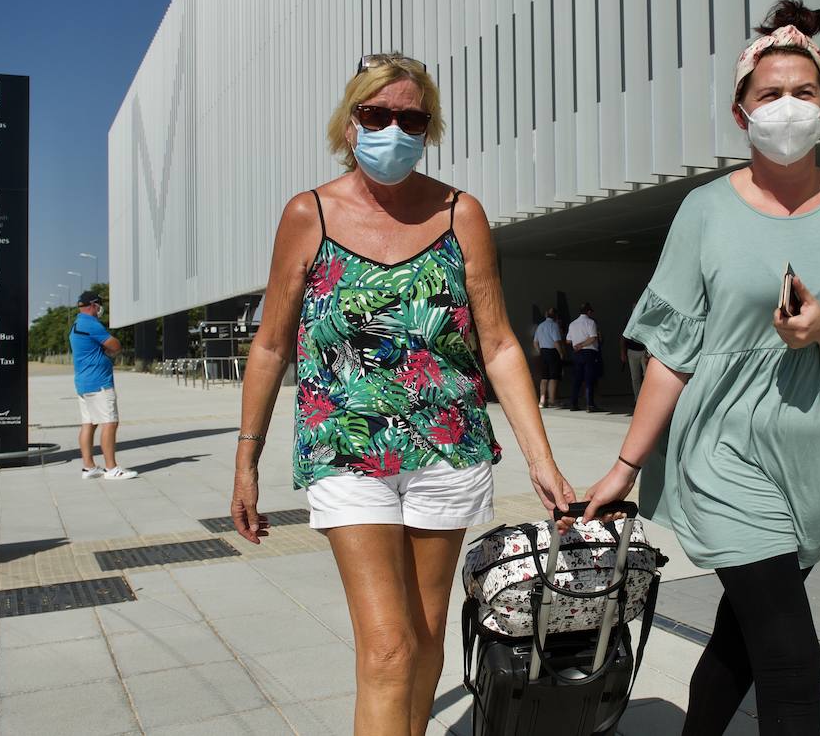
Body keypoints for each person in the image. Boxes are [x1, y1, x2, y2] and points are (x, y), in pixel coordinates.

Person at [582, 0, 820, 735]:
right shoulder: (705, 210)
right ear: (741, 113)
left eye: (804, 92)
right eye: (770, 94)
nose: (788, 107)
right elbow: (672, 350)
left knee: (743, 636)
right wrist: (625, 466)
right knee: (793, 666)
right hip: (725, 452)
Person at [230, 54, 574, 736]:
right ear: (349, 121)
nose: (393, 127)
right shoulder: (309, 215)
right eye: (377, 114)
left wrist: (542, 457)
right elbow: (271, 344)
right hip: (345, 451)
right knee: (387, 647)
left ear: (429, 126)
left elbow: (499, 342)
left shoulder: (459, 214)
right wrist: (246, 459)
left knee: (423, 638)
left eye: (410, 117)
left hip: (447, 447)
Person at [69, 291, 135, 480]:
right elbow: (114, 345)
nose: (101, 309)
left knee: (88, 424)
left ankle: (89, 467)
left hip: (83, 382)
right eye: (99, 305)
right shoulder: (91, 324)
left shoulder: (76, 325)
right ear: (93, 305)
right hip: (98, 383)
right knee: (110, 423)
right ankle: (111, 468)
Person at [566, 302, 602, 412]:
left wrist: (576, 344)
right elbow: (593, 338)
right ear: (589, 312)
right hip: (589, 353)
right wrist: (581, 345)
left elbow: (568, 340)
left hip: (576, 354)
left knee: (577, 379)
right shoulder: (591, 322)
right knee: (589, 379)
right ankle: (590, 405)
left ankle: (573, 404)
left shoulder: (572, 324)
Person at [531, 307, 566, 407]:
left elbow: (535, 342)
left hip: (543, 352)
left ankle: (542, 400)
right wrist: (561, 353)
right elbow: (556, 342)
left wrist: (540, 351)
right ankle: (551, 400)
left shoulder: (540, 326)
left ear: (546, 315)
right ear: (556, 316)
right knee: (553, 377)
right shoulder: (554, 326)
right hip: (553, 352)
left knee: (544, 377)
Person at [620, 335, 648, 400]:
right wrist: (622, 353)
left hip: (644, 351)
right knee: (635, 378)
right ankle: (637, 400)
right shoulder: (630, 325)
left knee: (647, 376)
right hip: (632, 351)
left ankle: (647, 398)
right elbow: (623, 338)